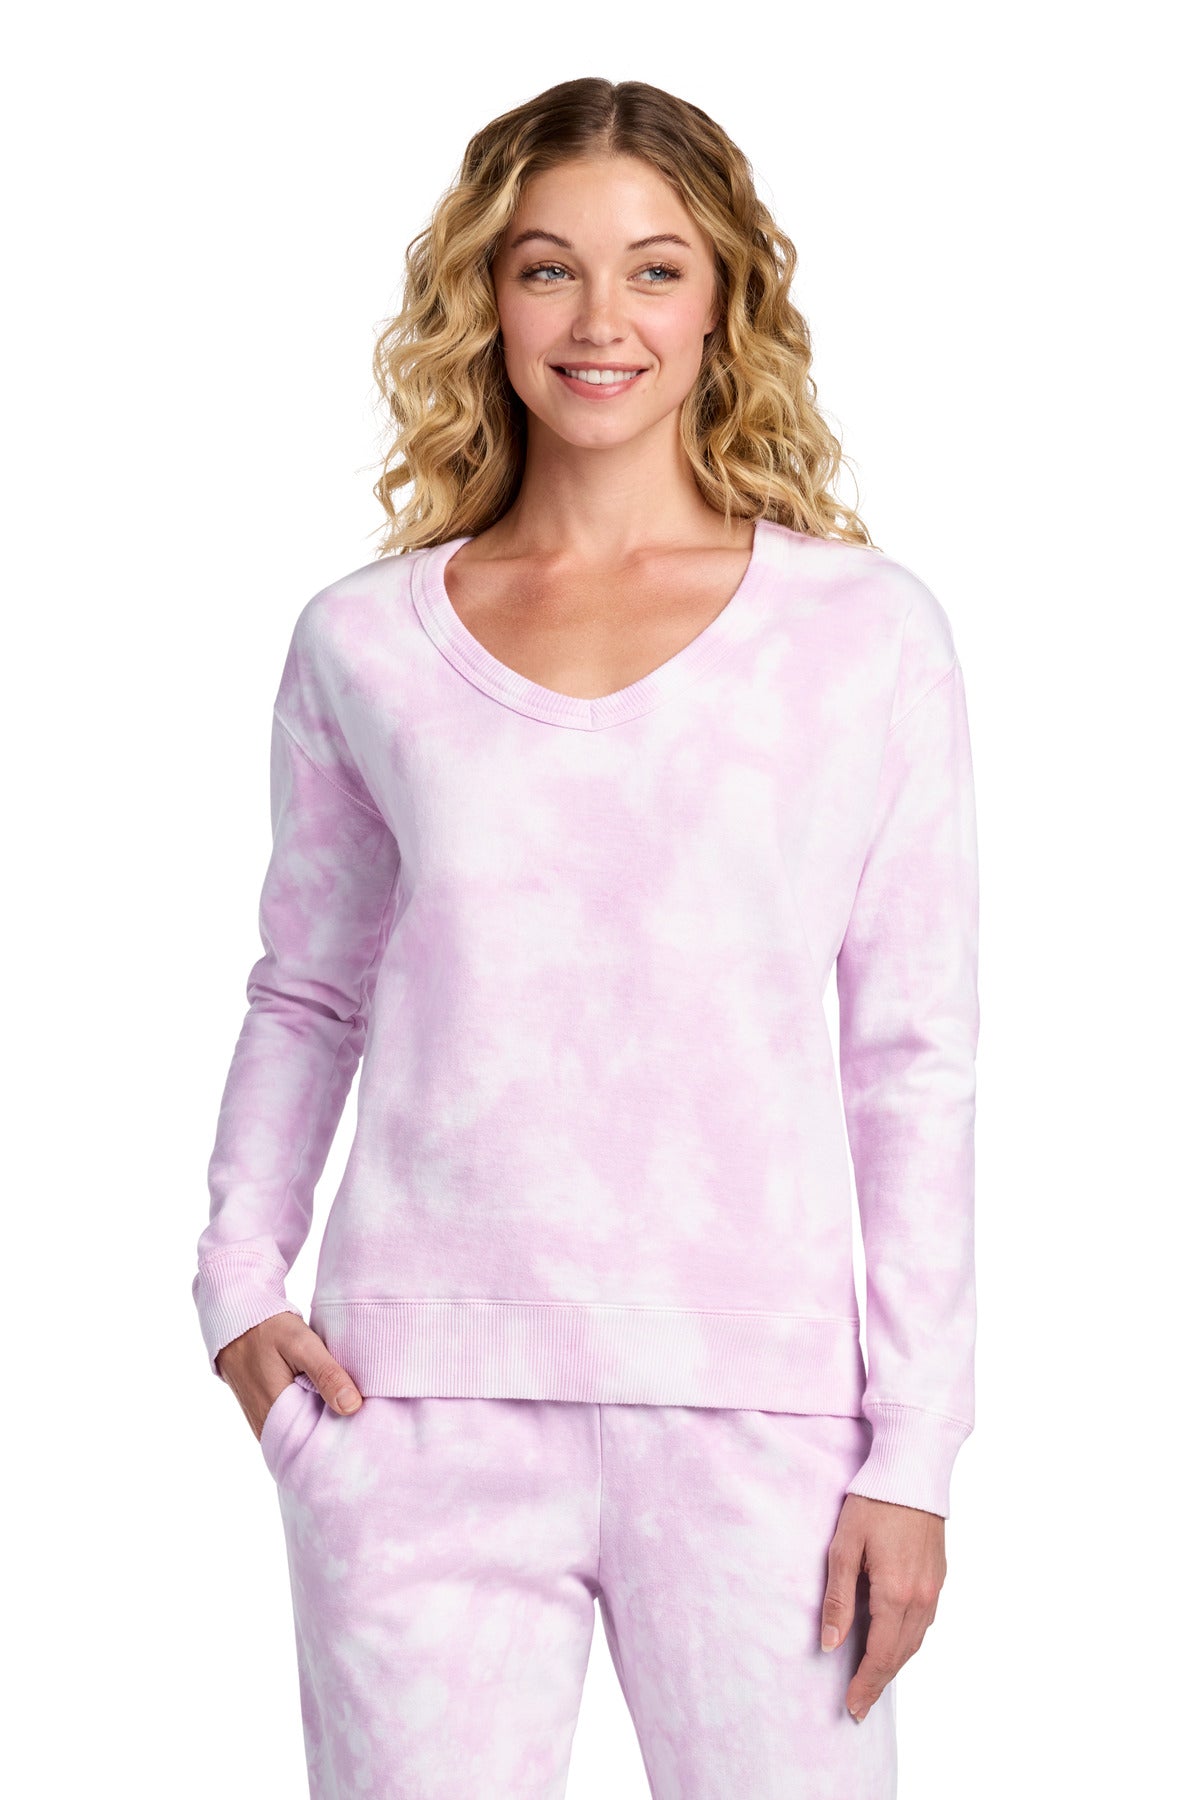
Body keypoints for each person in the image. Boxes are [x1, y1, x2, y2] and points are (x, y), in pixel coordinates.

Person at [193, 75, 980, 1800]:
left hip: (767, 1425)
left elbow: (911, 1059)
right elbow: (307, 990)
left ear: (723, 300)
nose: (600, 319)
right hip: (416, 1407)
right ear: (485, 296)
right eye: (548, 267)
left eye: (655, 268)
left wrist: (914, 1450)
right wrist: (238, 1284)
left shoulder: (865, 636)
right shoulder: (365, 643)